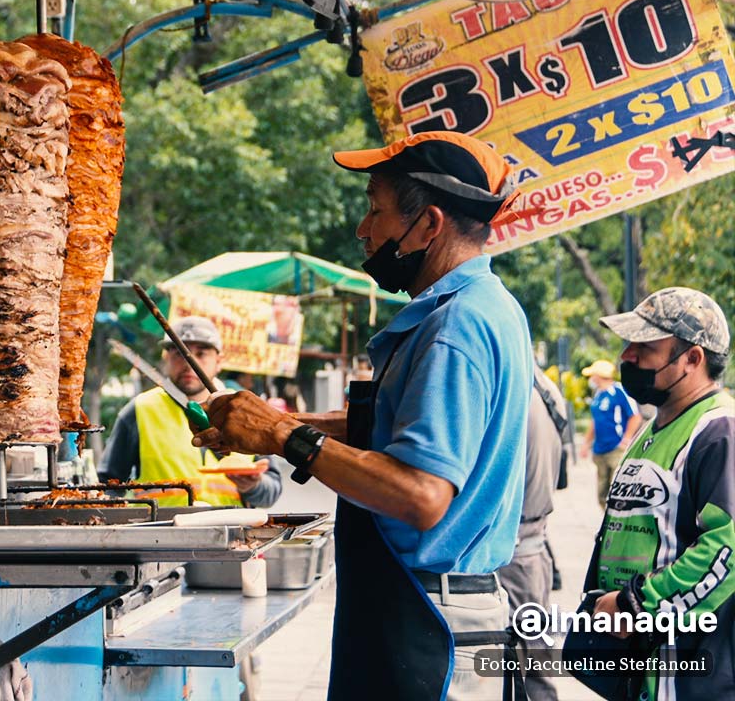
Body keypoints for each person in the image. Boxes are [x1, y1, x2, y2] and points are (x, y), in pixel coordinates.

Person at [192, 131, 532, 700]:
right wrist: (273, 432)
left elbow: (422, 493)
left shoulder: (456, 328)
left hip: (427, 615)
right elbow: (404, 431)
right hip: (411, 605)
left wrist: (284, 434)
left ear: (429, 224)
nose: (362, 229)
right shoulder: (479, 307)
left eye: (375, 209)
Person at [581, 287, 735, 700]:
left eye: (644, 345)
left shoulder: (719, 431)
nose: (627, 356)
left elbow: (728, 549)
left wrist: (637, 605)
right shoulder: (653, 429)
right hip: (640, 665)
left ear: (693, 358)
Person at [98, 316, 282, 508]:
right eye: (179, 353)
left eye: (201, 354)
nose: (189, 364)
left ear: (219, 361)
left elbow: (273, 489)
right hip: (158, 534)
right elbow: (108, 485)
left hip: (234, 533)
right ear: (166, 358)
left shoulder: (245, 410)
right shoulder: (139, 410)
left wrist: (254, 486)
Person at [498, 364, 569, 701]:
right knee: (537, 661)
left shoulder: (508, 384)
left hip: (513, 553)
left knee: (526, 670)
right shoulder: (544, 385)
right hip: (533, 548)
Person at [580, 359, 642, 508]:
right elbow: (595, 421)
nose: (590, 379)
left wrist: (626, 440)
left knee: (616, 489)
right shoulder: (598, 395)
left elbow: (635, 416)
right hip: (600, 449)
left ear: (599, 375)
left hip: (615, 448)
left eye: (592, 375)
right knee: (602, 491)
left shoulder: (619, 392)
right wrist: (586, 444)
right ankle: (605, 522)